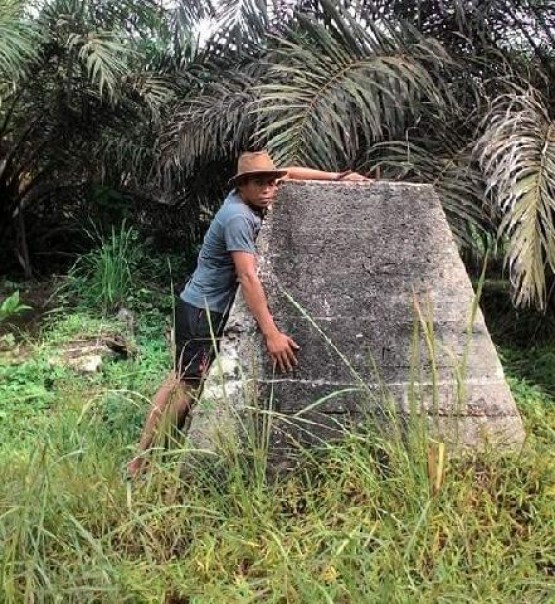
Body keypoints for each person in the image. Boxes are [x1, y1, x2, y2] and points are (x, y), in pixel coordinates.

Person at [127, 151, 368, 477]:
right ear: (242, 185)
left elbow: (290, 173)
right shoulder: (238, 217)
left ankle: (144, 458)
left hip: (195, 302)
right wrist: (271, 333)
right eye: (260, 183)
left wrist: (339, 177)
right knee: (186, 387)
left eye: (271, 181)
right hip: (204, 310)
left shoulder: (252, 196)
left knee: (178, 381)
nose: (269, 188)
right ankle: (145, 463)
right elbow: (248, 276)